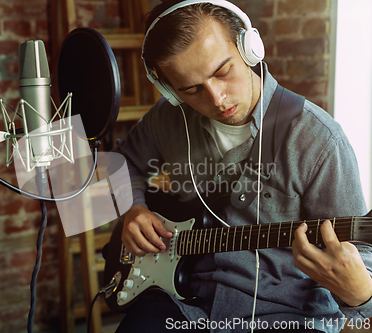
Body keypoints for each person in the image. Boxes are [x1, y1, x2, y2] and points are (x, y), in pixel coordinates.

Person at [111, 0, 372, 332]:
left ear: (250, 48)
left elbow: (362, 262)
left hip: (288, 316)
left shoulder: (319, 140)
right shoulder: (167, 118)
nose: (217, 98)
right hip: (186, 303)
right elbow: (121, 161)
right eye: (191, 90)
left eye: (223, 72)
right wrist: (132, 208)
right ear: (169, 90)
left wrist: (360, 293)